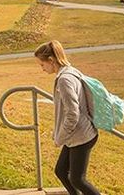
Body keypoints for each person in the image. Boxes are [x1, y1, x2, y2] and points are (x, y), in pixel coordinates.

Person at [33, 41, 101, 195]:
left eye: (42, 64)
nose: (42, 69)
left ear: (51, 60)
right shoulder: (69, 71)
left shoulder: (64, 80)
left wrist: (60, 137)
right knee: (61, 171)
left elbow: (72, 113)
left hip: (81, 136)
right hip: (76, 135)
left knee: (78, 179)